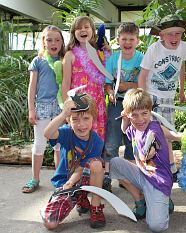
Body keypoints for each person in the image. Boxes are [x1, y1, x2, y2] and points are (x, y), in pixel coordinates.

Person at [110, 88, 181, 232]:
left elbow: (152, 143)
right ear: (128, 115)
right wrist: (125, 119)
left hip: (158, 182)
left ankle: (163, 201)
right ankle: (139, 198)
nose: (140, 119)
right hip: (143, 174)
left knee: (156, 226)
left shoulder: (154, 130)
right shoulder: (134, 126)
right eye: (134, 115)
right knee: (114, 163)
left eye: (144, 113)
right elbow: (125, 130)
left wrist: (149, 152)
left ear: (150, 111)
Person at [40, 94, 106, 229]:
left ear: (94, 118)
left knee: (97, 164)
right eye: (75, 119)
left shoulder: (97, 141)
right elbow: (47, 133)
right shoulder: (66, 133)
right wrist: (64, 113)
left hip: (81, 182)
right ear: (69, 120)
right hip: (65, 184)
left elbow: (82, 169)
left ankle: (96, 206)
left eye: (86, 118)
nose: (81, 124)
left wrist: (71, 182)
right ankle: (79, 199)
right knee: (50, 224)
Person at [138, 14, 186, 178]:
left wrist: (181, 91)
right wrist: (142, 99)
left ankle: (171, 167)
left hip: (168, 97)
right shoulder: (154, 49)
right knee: (150, 133)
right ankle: (148, 166)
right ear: (161, 35)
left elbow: (181, 67)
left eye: (177, 33)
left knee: (167, 133)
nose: (174, 37)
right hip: (152, 95)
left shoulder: (183, 47)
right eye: (169, 34)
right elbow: (142, 75)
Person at [22, 25, 65, 193]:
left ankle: (59, 179)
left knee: (59, 145)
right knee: (39, 144)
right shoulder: (38, 61)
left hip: (60, 107)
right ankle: (35, 178)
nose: (53, 43)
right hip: (43, 107)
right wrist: (31, 109)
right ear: (43, 42)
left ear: (62, 42)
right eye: (49, 40)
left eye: (57, 40)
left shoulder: (65, 59)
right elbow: (32, 88)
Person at [103, 22, 144, 192]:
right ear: (118, 40)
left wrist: (127, 85)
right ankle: (107, 176)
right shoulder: (113, 59)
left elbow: (142, 83)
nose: (127, 42)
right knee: (112, 142)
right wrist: (111, 92)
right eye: (124, 39)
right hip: (116, 104)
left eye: (131, 39)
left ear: (137, 40)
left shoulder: (142, 58)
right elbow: (107, 83)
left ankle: (126, 176)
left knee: (131, 142)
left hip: (134, 105)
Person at [62, 15, 109, 141]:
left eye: (86, 27)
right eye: (78, 28)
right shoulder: (70, 55)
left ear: (93, 31)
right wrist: (67, 106)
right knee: (79, 138)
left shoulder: (100, 53)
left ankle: (97, 160)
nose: (83, 30)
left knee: (98, 138)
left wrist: (108, 52)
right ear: (74, 33)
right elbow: (66, 82)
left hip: (98, 102)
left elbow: (109, 75)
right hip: (79, 103)